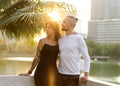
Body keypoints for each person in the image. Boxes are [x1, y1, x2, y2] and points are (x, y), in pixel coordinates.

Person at [19, 21, 61, 86]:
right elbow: (37, 57)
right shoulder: (42, 41)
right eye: (46, 27)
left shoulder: (59, 42)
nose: (47, 29)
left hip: (53, 73)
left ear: (55, 29)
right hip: (41, 72)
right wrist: (29, 72)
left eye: (49, 28)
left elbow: (60, 57)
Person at [58, 16, 90, 86]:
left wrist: (86, 75)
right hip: (60, 75)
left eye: (64, 22)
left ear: (71, 25)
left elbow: (86, 57)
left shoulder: (79, 38)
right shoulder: (61, 39)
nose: (62, 23)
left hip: (72, 76)